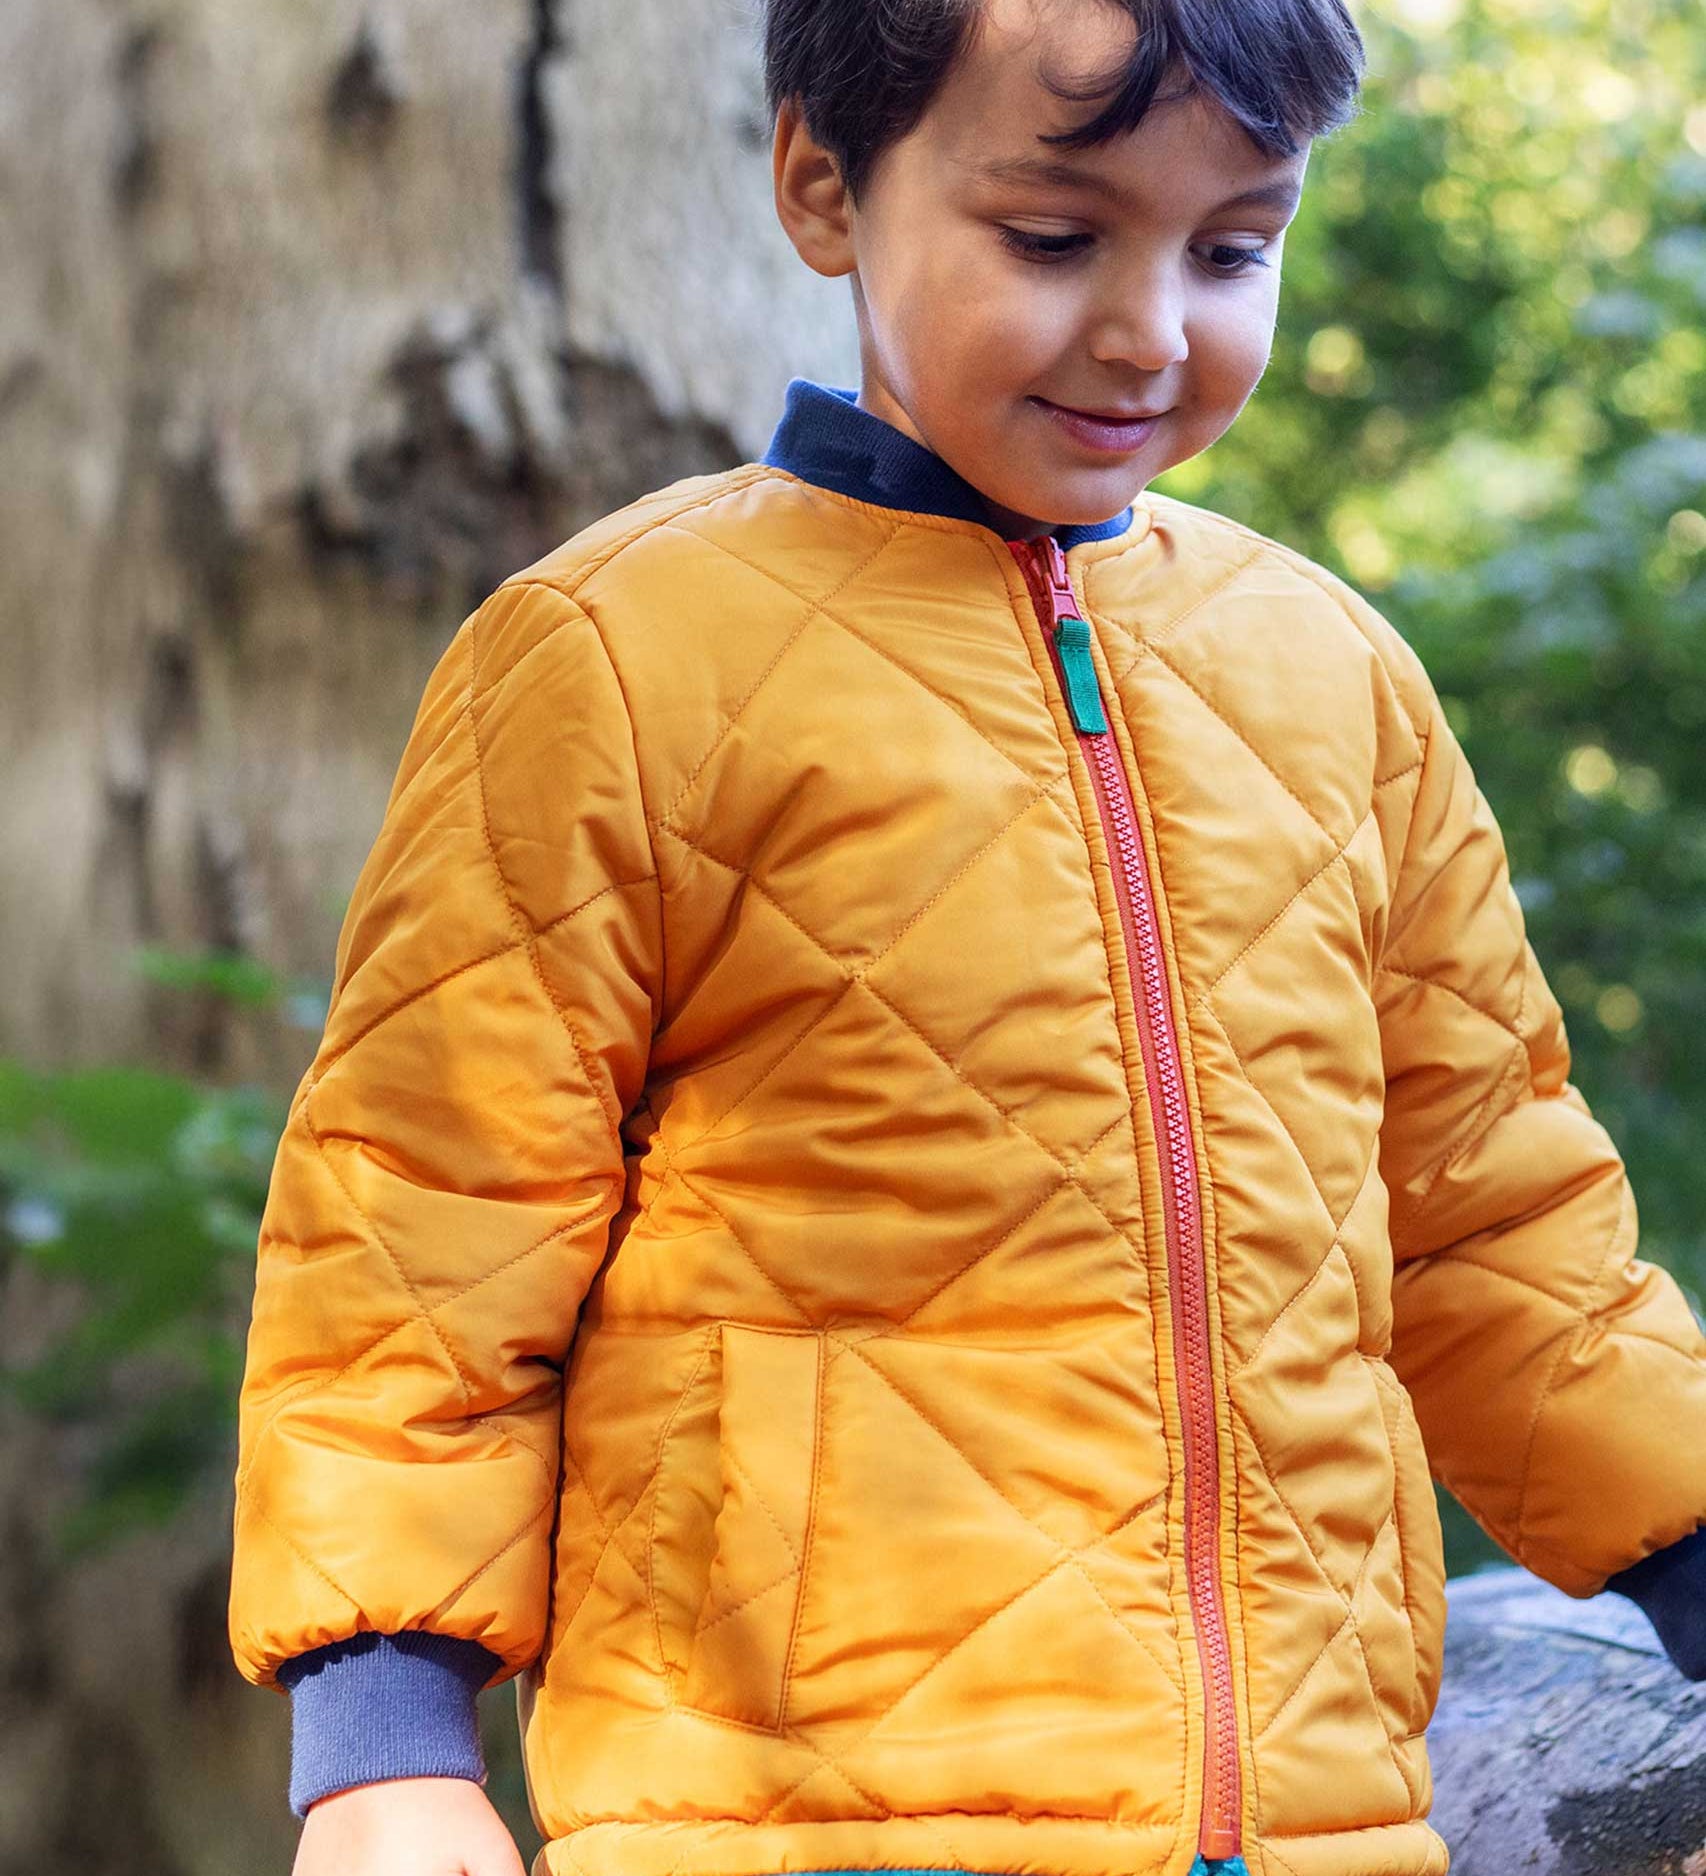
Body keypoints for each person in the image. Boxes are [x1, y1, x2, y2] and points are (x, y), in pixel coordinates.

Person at [228, 2, 1706, 1873]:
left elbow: (1499, 1241)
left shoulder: (1331, 676)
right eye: (1053, 237)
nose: (1149, 329)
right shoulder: (613, 658)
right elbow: (418, 1236)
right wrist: (383, 1744)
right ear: (821, 186)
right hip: (788, 1825)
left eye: (1233, 247)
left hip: (1318, 1825)